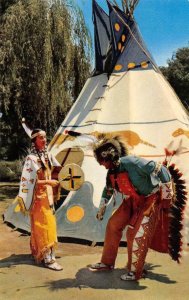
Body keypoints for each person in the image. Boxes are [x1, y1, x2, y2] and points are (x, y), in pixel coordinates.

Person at [89, 135, 174, 280]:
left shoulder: (133, 162)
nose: (101, 165)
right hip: (132, 200)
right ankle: (107, 263)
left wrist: (167, 196)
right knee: (113, 225)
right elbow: (108, 189)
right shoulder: (112, 172)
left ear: (110, 157)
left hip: (150, 200)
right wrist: (102, 207)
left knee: (133, 234)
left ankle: (136, 271)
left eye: (102, 161)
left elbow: (162, 170)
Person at [17, 119, 63, 270]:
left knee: (47, 226)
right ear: (34, 141)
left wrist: (65, 178)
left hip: (49, 198)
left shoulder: (48, 156)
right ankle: (48, 259)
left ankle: (42, 253)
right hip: (38, 200)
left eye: (45, 137)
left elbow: (58, 171)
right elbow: (29, 183)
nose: (44, 140)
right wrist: (49, 183)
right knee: (44, 227)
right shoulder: (31, 160)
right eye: (41, 137)